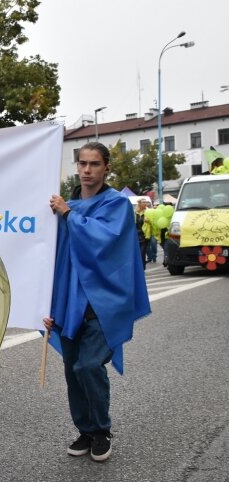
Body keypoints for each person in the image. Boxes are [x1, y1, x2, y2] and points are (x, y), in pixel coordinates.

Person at [44, 142, 150, 463]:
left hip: (103, 305)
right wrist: (44, 304)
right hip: (68, 304)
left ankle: (102, 430)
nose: (87, 170)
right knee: (72, 371)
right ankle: (85, 429)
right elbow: (51, 257)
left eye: (94, 164)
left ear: (106, 168)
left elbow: (102, 242)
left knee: (88, 366)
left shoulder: (115, 204)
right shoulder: (66, 205)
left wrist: (69, 215)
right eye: (82, 164)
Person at [133, 199, 151, 270]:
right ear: (139, 204)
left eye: (146, 202)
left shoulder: (148, 212)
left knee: (142, 252)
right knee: (137, 253)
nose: (145, 203)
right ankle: (140, 267)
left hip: (145, 235)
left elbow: (152, 221)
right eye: (144, 202)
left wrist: (148, 221)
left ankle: (142, 268)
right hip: (136, 235)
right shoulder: (135, 213)